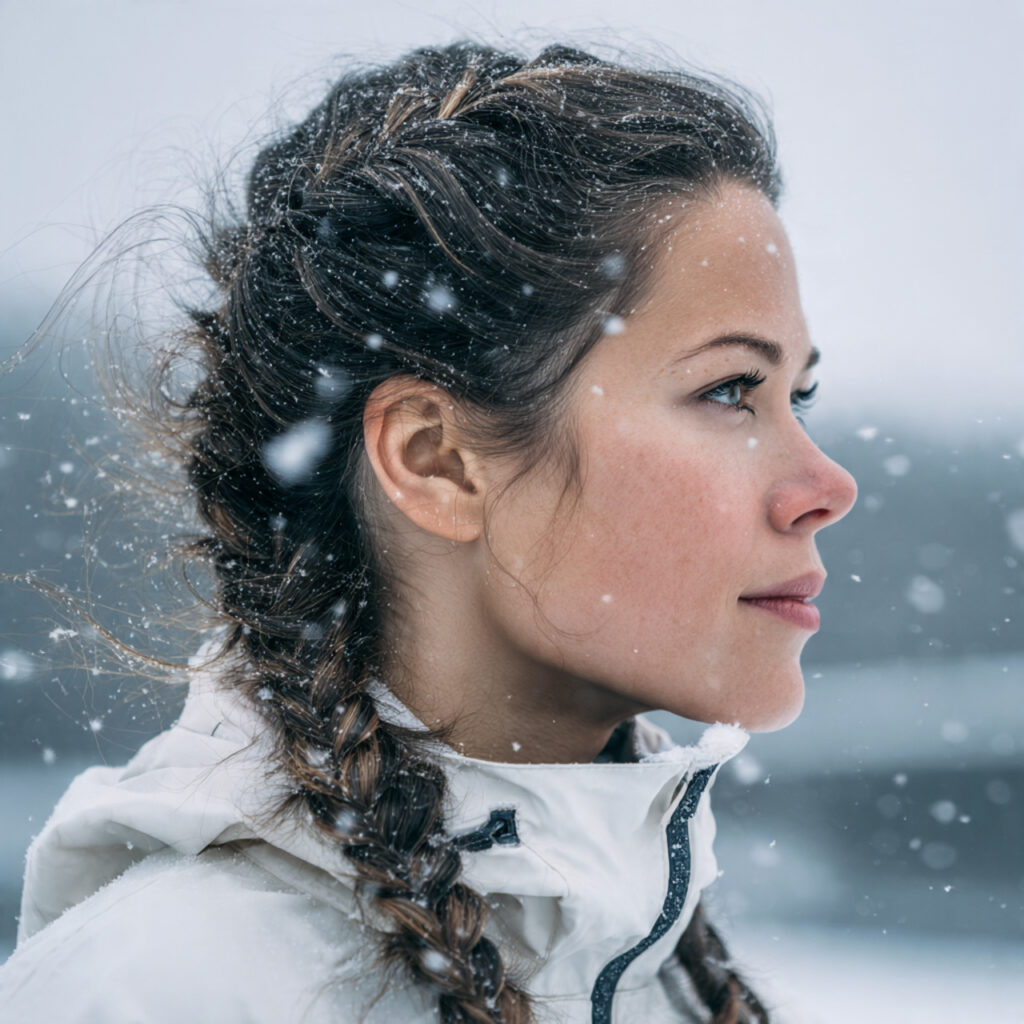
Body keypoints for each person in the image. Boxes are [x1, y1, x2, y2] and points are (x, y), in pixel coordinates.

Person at [0, 41, 856, 1023]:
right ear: (437, 460)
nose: (825, 485)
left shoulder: (659, 978)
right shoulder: (163, 993)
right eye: (729, 390)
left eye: (801, 394)